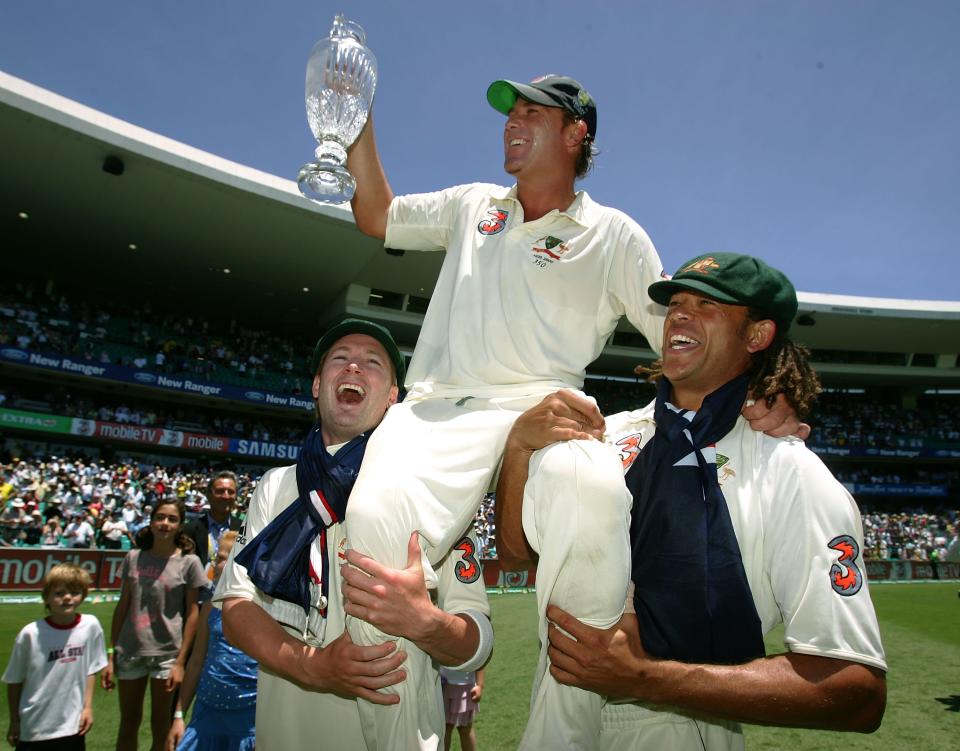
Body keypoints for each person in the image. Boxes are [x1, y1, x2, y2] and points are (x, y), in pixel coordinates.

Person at [343, 73, 801, 748]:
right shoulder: (474, 205)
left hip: (545, 411)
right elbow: (375, 215)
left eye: (532, 111)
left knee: (594, 492)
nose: (512, 120)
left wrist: (767, 388)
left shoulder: (613, 233)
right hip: (435, 413)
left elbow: (684, 339)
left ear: (575, 132)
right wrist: (354, 119)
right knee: (371, 524)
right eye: (509, 112)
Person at [497, 253, 887, 749]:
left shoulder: (792, 473)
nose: (680, 314)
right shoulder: (602, 437)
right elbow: (515, 557)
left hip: (683, 721)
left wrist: (644, 678)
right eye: (676, 303)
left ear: (757, 336)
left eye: (707, 304)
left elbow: (857, 691)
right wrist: (517, 451)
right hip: (558, 706)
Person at [215, 318, 492, 749]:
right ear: (315, 385)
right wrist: (317, 668)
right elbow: (236, 607)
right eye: (340, 359)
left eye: (372, 363)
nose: (354, 369)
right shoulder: (274, 485)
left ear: (393, 398)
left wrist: (426, 623)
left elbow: (478, 643)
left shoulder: (437, 491)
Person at [103, 499, 206, 751]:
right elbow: (123, 606)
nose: (165, 523)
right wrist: (111, 654)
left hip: (167, 655)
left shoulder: (189, 562)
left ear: (180, 525)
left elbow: (193, 613)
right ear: (150, 521)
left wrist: (180, 661)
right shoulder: (133, 557)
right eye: (160, 517)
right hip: (130, 649)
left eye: (172, 519)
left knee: (161, 726)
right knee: (128, 723)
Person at [3, 563, 108, 750]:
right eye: (59, 593)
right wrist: (14, 720)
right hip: (35, 725)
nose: (67, 597)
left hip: (72, 725)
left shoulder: (90, 625)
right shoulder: (30, 634)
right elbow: (14, 680)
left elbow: (90, 669)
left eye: (74, 592)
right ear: (47, 597)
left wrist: (88, 707)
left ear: (83, 595)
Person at [167, 530, 256, 751]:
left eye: (230, 557)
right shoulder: (208, 608)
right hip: (207, 714)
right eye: (219, 558)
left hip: (249, 719)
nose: (220, 564)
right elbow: (197, 662)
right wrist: (179, 715)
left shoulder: (264, 609)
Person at [183, 471, 242, 596]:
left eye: (230, 492)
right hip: (196, 599)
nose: (226, 496)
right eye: (220, 491)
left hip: (230, 600)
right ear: (209, 495)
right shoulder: (189, 530)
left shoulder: (245, 529)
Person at [440, 666, 483, 751]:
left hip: (465, 687)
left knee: (465, 728)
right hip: (442, 683)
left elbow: (481, 658)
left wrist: (480, 685)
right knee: (444, 729)